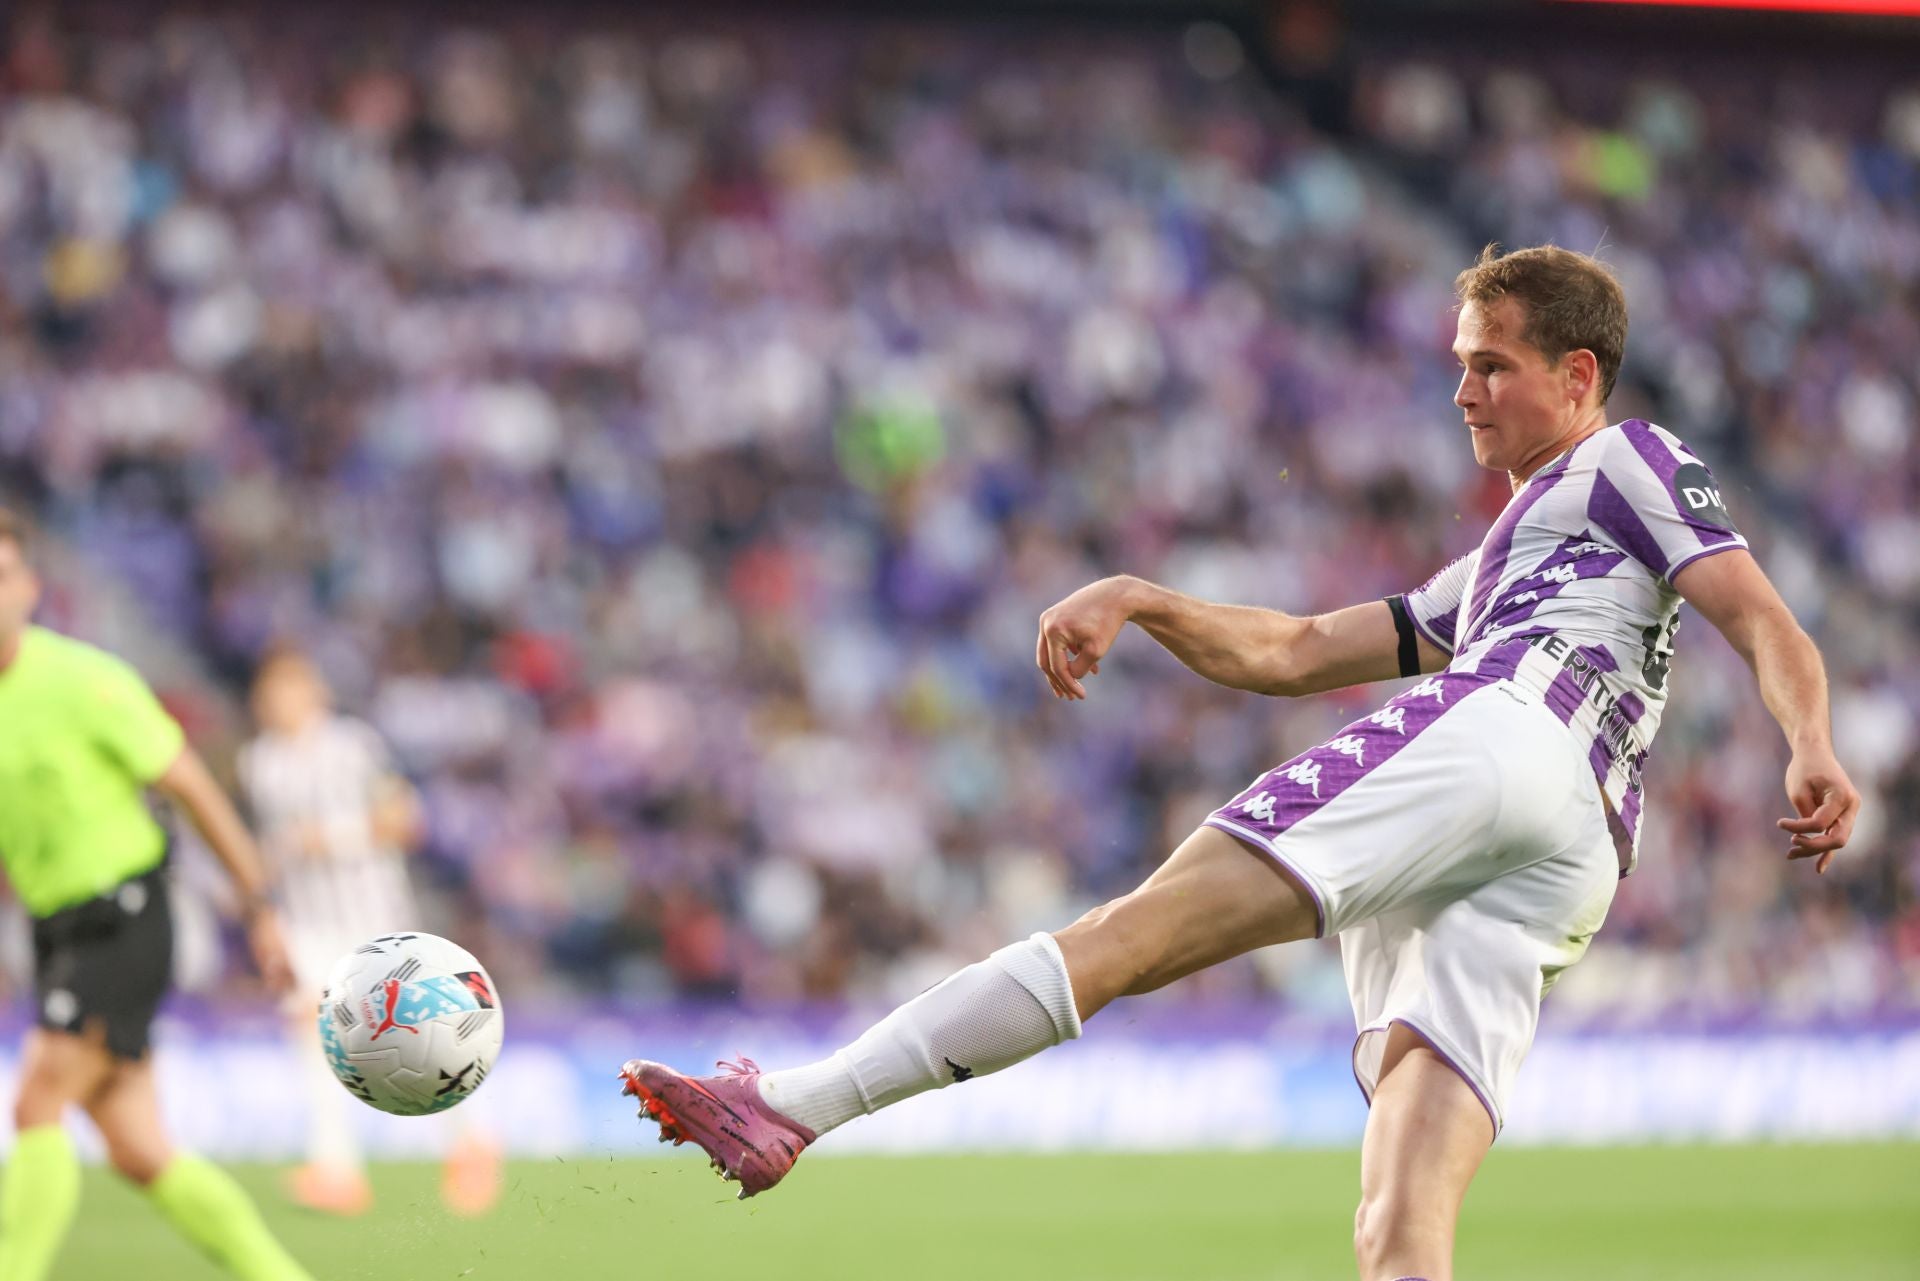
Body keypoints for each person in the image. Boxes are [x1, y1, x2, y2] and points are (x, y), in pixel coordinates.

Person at [617, 245, 1867, 1278]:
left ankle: (793, 1107)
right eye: (1459, 367)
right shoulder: (1498, 568)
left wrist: (1810, 740)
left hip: (1510, 741)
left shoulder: (1626, 462)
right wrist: (1142, 597)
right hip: (1568, 852)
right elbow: (1294, 649)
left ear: (1578, 374)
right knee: (1400, 1234)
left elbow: (1760, 614)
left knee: (1135, 930)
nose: (1464, 393)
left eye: (1492, 366)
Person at [0, 509, 316, 1281]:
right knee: (138, 1148)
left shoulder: (84, 681)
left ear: (32, 587)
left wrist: (261, 906)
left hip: (125, 915)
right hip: (55, 929)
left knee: (37, 1102)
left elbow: (192, 785)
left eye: (1, 576)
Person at [239, 648, 501, 1217]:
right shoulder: (259, 761)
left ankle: (469, 1142)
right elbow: (271, 847)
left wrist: (328, 837)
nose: (275, 703)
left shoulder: (352, 747)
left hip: (373, 919)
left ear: (314, 693)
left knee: (416, 1036)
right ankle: (336, 1170)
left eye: (288, 689)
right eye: (268, 692)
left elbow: (404, 821)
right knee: (311, 1033)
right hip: (305, 922)